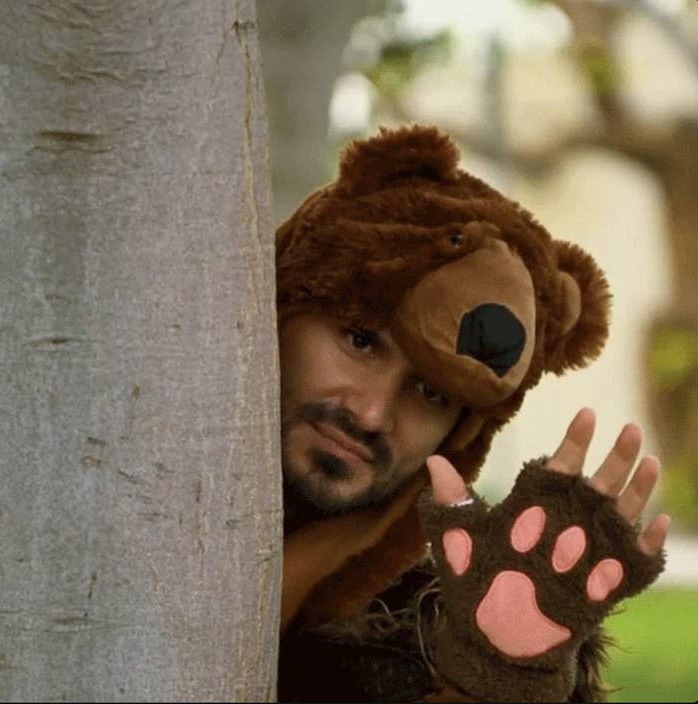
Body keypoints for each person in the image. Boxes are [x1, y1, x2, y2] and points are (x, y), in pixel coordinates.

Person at [275, 125, 669, 702]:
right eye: (360, 341)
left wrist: (493, 682)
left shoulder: (439, 636)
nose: (373, 414)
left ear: (464, 433)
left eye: (432, 393)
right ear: (285, 303)